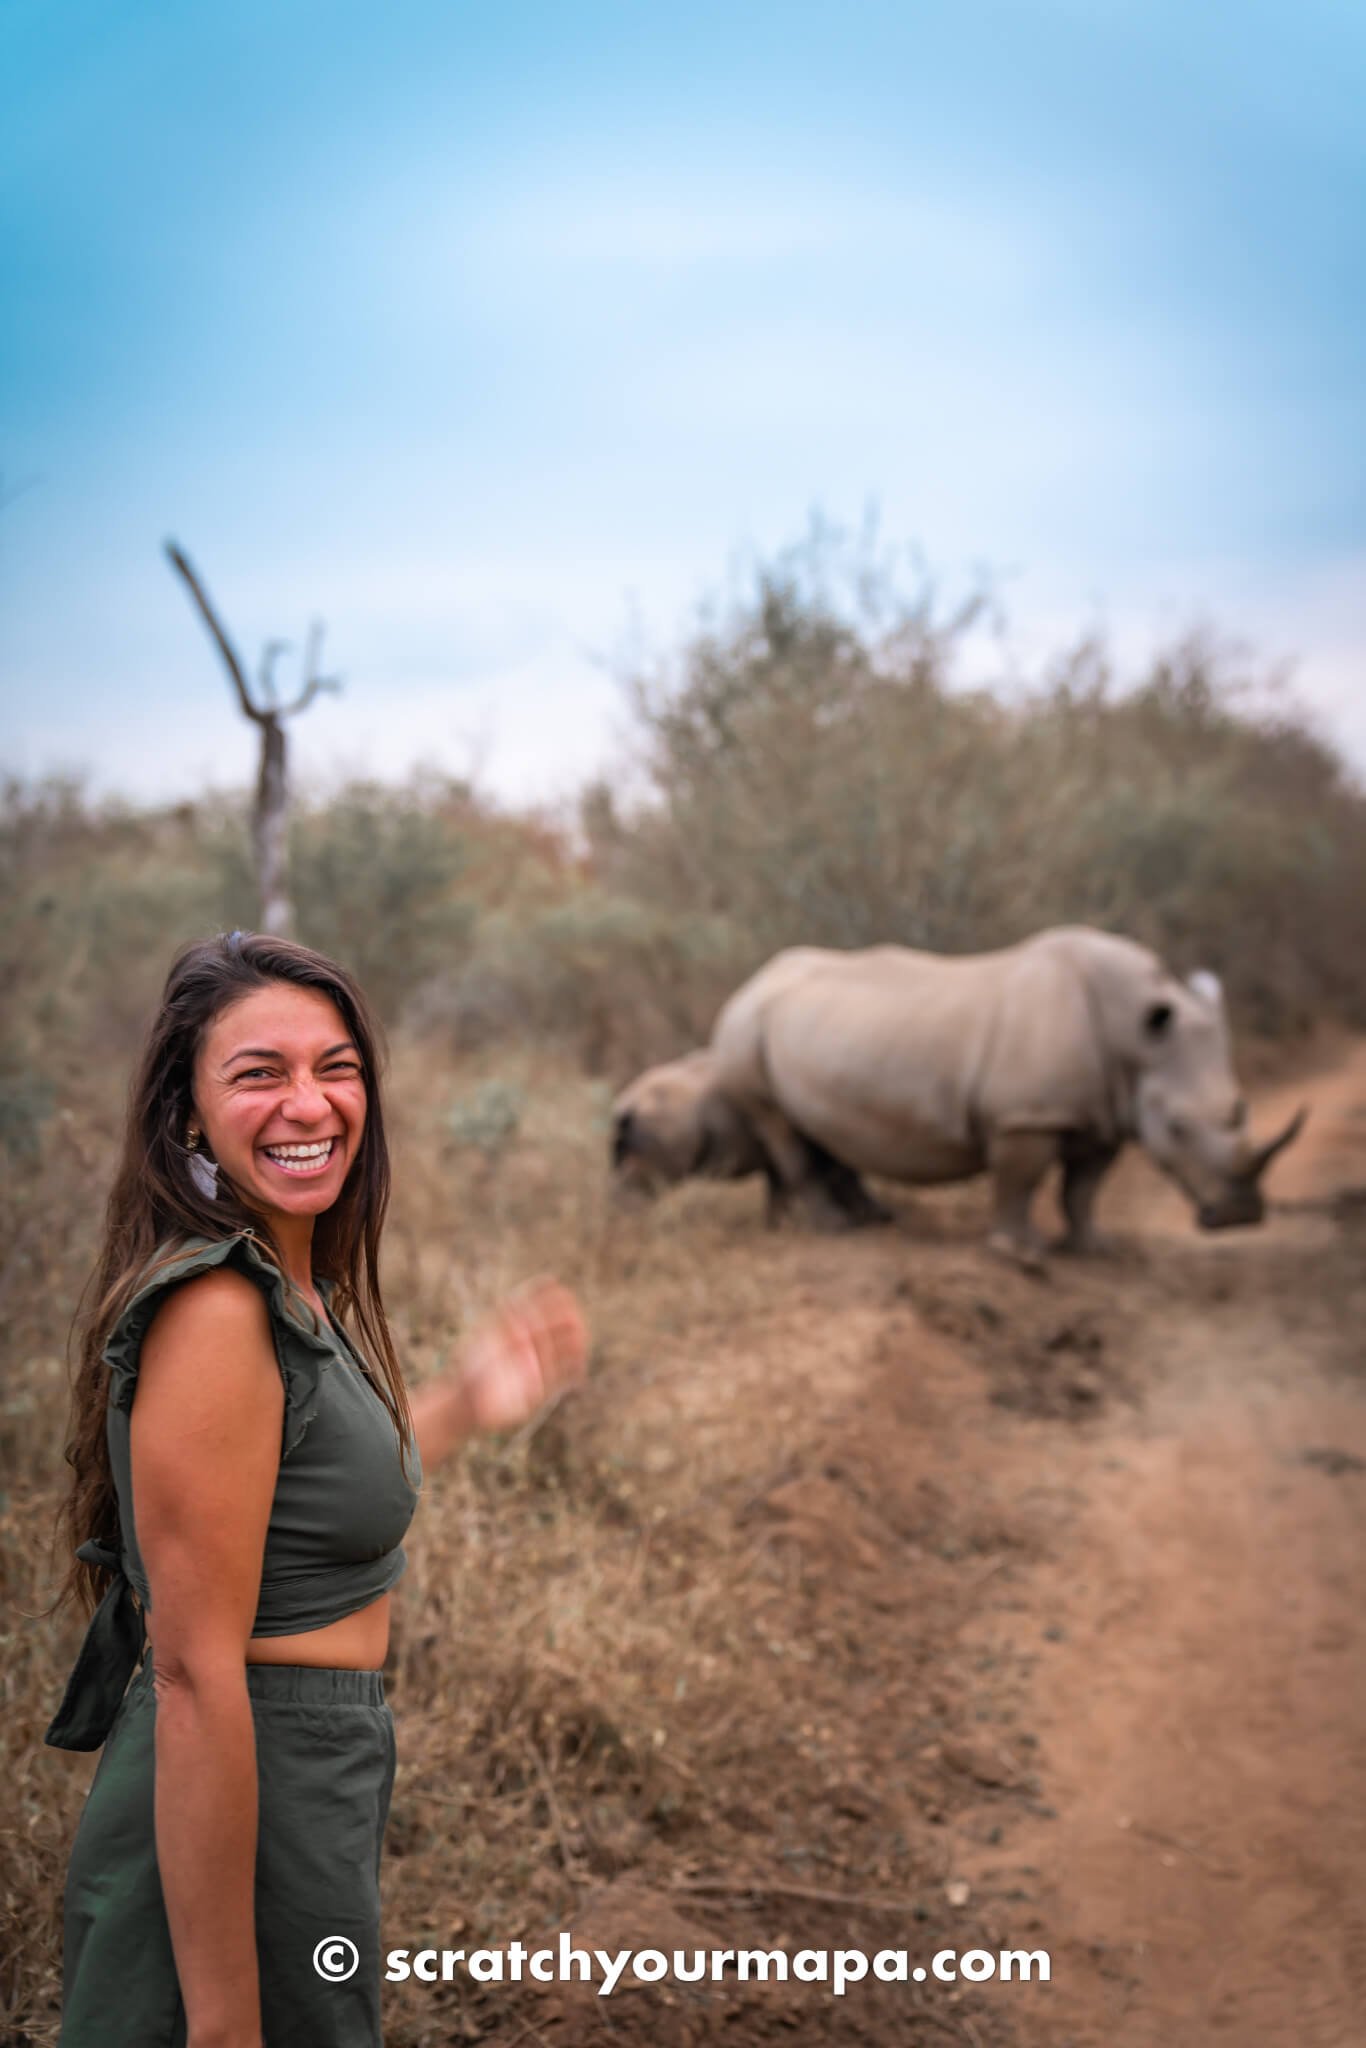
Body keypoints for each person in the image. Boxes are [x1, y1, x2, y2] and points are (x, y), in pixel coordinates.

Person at [45, 928, 589, 2048]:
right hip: (247, 1780)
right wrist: (226, 2016)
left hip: (309, 1772)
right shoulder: (218, 1309)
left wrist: (463, 1402)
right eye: (259, 1072)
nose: (312, 1102)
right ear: (187, 1112)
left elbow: (291, 1490)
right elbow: (196, 1676)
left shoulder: (290, 1284)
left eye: (335, 1066)